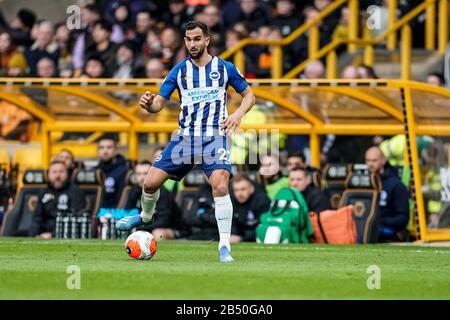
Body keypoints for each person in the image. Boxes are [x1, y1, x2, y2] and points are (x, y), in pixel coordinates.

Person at [116, 20, 256, 262]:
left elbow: (249, 95)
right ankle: (146, 217)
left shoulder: (224, 68)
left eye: (197, 39)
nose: (192, 44)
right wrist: (149, 105)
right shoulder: (179, 71)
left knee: (220, 185)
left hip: (214, 135)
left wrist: (236, 115)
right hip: (185, 138)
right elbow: (159, 103)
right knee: (149, 184)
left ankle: (224, 246)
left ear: (207, 41)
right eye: (188, 40)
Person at [29, 161, 85, 239]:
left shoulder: (76, 191)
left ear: (67, 174)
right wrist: (32, 237)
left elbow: (75, 218)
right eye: (54, 172)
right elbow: (37, 218)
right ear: (48, 175)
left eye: (61, 172)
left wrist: (53, 234)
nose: (58, 175)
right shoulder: (44, 191)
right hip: (43, 234)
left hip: (66, 235)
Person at [365, 146, 410, 242]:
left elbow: (403, 218)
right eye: (368, 160)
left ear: (383, 160)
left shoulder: (396, 185)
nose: (370, 164)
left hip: (388, 236)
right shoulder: (363, 184)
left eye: (374, 160)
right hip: (364, 233)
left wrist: (378, 221)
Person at [230, 174, 271, 242]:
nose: (239, 193)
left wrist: (242, 238)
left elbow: (265, 228)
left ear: (251, 188)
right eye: (236, 190)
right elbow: (232, 224)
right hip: (240, 237)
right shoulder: (232, 200)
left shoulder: (262, 200)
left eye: (243, 189)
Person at [95, 135, 128, 209]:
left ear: (115, 151)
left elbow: (122, 200)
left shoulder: (124, 172)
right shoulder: (94, 172)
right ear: (97, 151)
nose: (105, 151)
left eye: (109, 147)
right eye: (101, 148)